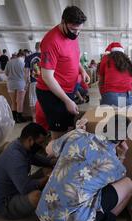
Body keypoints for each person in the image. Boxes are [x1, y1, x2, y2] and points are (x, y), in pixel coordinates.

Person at [36, 115, 132, 221]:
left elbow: (48, 150)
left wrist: (74, 134)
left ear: (104, 127)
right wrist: (122, 155)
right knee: (128, 185)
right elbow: (113, 185)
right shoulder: (115, 165)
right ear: (124, 139)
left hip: (44, 213)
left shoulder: (77, 135)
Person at [36, 6, 90, 140]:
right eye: (73, 29)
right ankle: (57, 158)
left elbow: (73, 57)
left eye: (79, 30)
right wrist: (67, 100)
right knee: (59, 132)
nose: (76, 33)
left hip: (68, 89)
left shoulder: (72, 35)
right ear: (63, 21)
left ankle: (66, 155)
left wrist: (82, 70)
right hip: (52, 93)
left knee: (69, 127)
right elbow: (47, 77)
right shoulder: (51, 41)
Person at [0, 123, 54, 220]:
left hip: (17, 187)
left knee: (48, 169)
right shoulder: (15, 157)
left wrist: (52, 162)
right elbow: (25, 188)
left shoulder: (21, 145)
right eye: (40, 143)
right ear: (30, 140)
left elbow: (35, 159)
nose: (42, 146)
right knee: (36, 196)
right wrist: (48, 178)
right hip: (6, 203)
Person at [99, 42, 132, 107]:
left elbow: (101, 80)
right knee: (122, 117)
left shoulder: (106, 58)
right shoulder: (127, 60)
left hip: (110, 94)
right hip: (127, 95)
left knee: (109, 116)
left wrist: (104, 94)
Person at [5, 52, 27, 123]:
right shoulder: (23, 63)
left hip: (10, 84)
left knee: (13, 102)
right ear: (23, 56)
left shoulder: (9, 62)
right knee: (20, 102)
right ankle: (19, 118)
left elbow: (6, 73)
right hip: (20, 83)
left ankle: (14, 118)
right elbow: (26, 74)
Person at [25, 42, 42, 122]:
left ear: (35, 47)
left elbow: (26, 72)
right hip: (44, 82)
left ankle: (34, 119)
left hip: (33, 81)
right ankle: (43, 120)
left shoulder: (28, 57)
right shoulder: (45, 56)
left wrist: (27, 82)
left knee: (33, 101)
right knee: (43, 100)